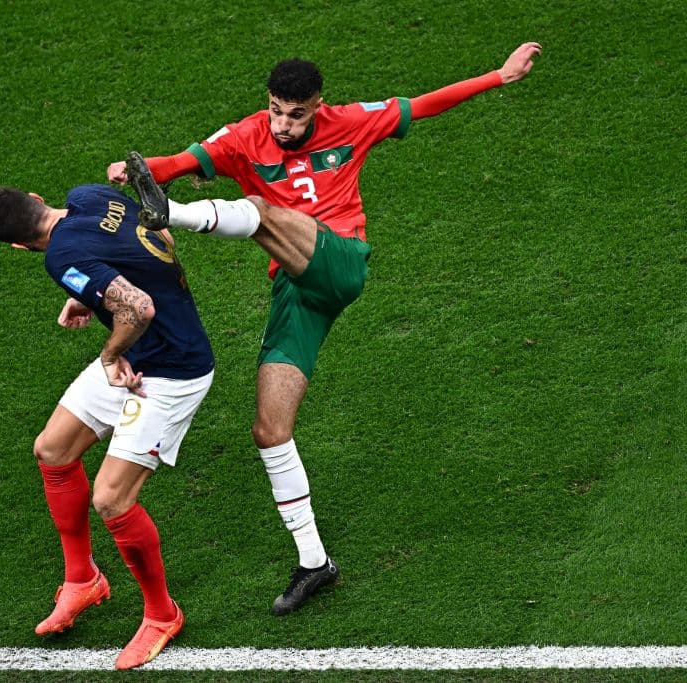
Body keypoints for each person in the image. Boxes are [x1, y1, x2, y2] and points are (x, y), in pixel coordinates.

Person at [110, 42, 542, 616]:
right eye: (276, 111)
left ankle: (174, 215)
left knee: (260, 211)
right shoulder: (244, 137)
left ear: (318, 107)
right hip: (296, 288)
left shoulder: (351, 123)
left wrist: (498, 76)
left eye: (296, 115)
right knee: (270, 429)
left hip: (340, 259)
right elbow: (178, 163)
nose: (283, 125)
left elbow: (422, 104)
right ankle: (315, 562)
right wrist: (137, 170)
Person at [0, 182, 214, 670]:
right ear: (36, 198)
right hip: (144, 354)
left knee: (112, 499)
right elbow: (158, 234)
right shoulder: (89, 196)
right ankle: (83, 579)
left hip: (171, 371)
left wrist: (110, 353)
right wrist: (91, 295)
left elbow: (138, 307)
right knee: (53, 449)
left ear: (18, 245)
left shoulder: (61, 256)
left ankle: (162, 615)